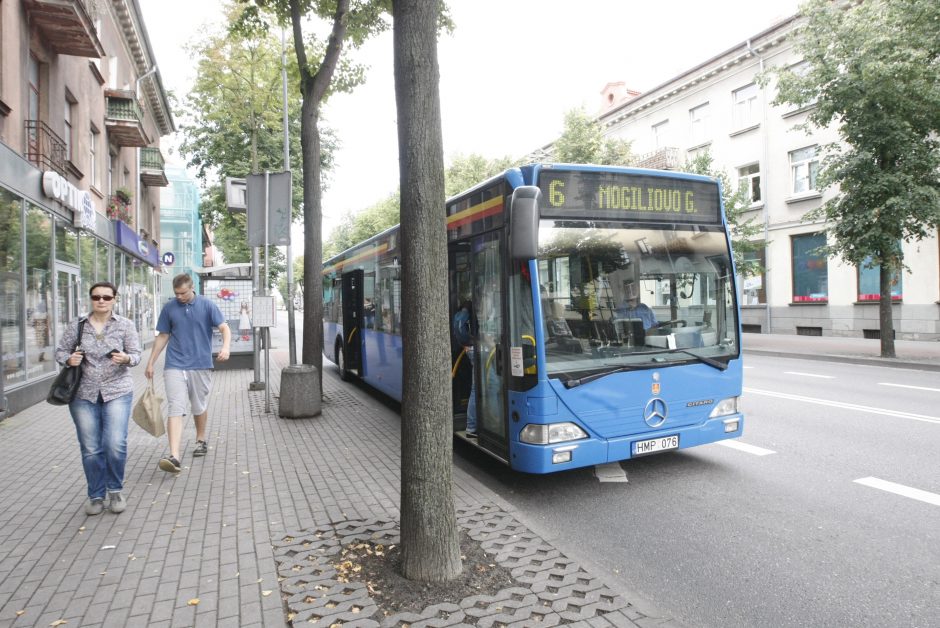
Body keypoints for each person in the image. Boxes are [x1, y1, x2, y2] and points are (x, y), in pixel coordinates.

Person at [55, 282, 141, 515]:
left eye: (106, 297)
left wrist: (126, 359)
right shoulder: (78, 325)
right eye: (96, 297)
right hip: (83, 393)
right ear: (90, 300)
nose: (101, 301)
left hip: (117, 391)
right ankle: (95, 495)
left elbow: (136, 355)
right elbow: (60, 351)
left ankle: (115, 491)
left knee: (114, 443)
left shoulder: (125, 325)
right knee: (91, 448)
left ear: (114, 299)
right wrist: (68, 359)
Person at [146, 273, 231, 473]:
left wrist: (226, 347)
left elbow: (224, 328)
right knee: (176, 406)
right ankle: (174, 456)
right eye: (176, 293)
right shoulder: (169, 308)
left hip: (200, 364)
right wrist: (150, 362)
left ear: (192, 288)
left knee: (198, 405)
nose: (180, 297)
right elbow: (163, 335)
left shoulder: (207, 305)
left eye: (183, 293)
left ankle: (200, 439)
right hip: (174, 364)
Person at [452, 299, 477, 436]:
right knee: (480, 387)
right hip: (475, 349)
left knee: (476, 387)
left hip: (467, 349)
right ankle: (472, 427)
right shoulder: (470, 313)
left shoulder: (458, 314)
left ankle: (472, 426)